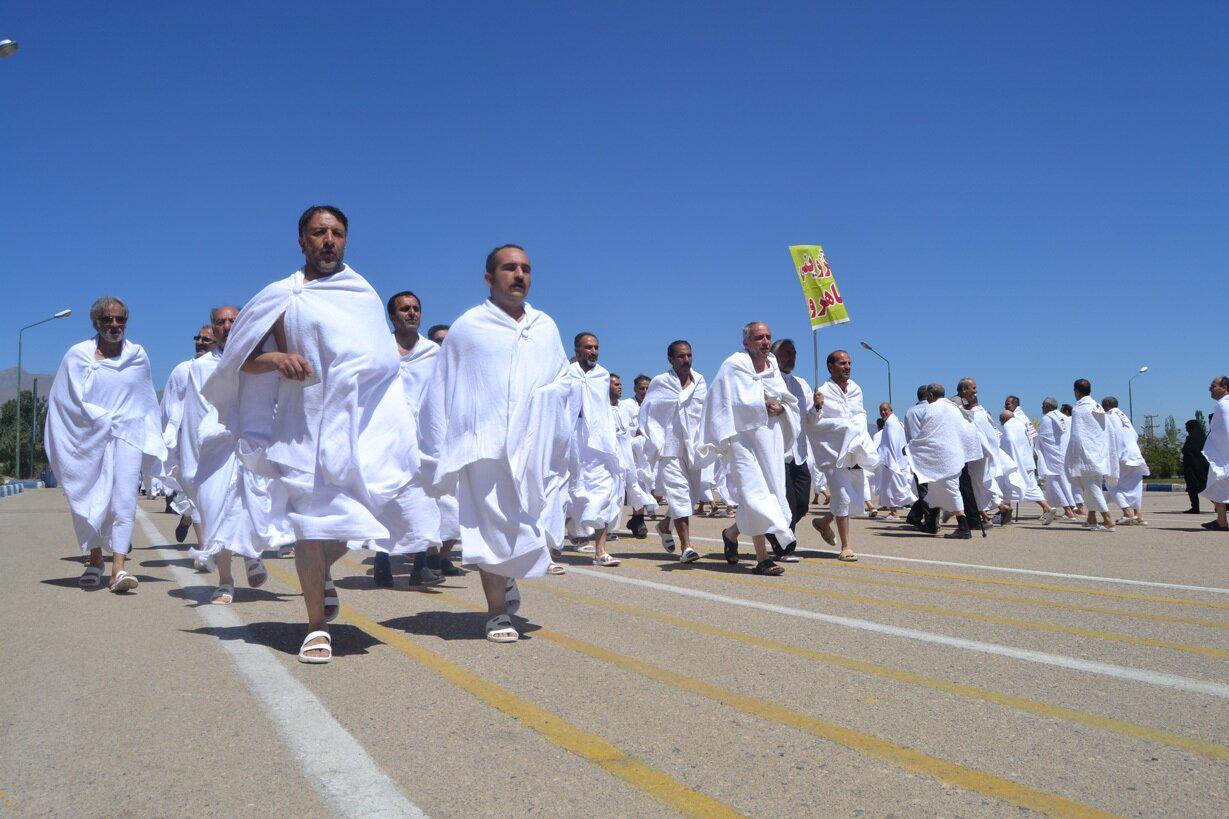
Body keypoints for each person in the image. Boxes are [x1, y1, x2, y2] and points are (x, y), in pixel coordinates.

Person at [204, 205, 428, 663]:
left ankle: (320, 573)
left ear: (346, 240)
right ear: (301, 241)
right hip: (302, 423)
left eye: (337, 233)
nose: (328, 240)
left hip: (359, 427)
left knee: (356, 519)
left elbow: (383, 361)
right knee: (309, 526)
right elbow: (240, 359)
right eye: (318, 232)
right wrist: (277, 360)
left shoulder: (362, 292)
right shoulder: (281, 296)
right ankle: (316, 625)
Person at [418, 244, 569, 642]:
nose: (519, 275)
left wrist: (551, 417)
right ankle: (496, 612)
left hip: (532, 447)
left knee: (528, 523)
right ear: (489, 278)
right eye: (509, 268)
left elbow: (562, 381)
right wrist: (436, 449)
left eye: (525, 269)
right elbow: (441, 387)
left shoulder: (545, 327)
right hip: (482, 442)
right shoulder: (469, 327)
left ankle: (505, 575)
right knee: (489, 526)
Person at [45, 296, 167, 592]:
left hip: (127, 437)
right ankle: (96, 559)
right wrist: (100, 420)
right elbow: (64, 400)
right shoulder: (78, 356)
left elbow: (146, 399)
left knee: (124, 499)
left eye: (120, 319)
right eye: (107, 320)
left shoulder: (137, 355)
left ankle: (119, 569)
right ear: (96, 323)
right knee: (89, 497)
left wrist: (151, 436)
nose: (114, 325)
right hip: (88, 440)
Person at [178, 306, 287, 603]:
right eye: (220, 322)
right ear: (213, 331)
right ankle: (225, 580)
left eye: (233, 321)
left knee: (254, 502)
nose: (227, 326)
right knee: (216, 509)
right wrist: (190, 461)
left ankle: (252, 555)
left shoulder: (262, 361)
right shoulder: (200, 368)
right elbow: (192, 415)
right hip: (217, 447)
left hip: (256, 444)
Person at [704, 323, 797, 575]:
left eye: (768, 337)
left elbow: (786, 399)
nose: (765, 342)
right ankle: (762, 558)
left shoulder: (773, 367)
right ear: (746, 343)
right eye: (759, 338)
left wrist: (782, 409)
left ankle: (730, 533)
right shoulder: (734, 365)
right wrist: (759, 403)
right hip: (741, 440)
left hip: (769, 439)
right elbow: (721, 400)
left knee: (766, 491)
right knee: (754, 491)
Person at [372, 290, 450, 589]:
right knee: (384, 499)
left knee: (424, 501)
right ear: (392, 317)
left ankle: (420, 566)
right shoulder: (378, 349)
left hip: (423, 439)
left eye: (416, 309)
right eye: (405, 309)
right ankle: (382, 563)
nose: (412, 313)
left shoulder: (433, 352)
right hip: (386, 437)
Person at [639, 340, 711, 564]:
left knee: (689, 498)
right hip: (669, 448)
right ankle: (686, 547)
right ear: (670, 359)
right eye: (681, 356)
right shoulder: (661, 382)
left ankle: (663, 526)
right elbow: (648, 411)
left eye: (689, 355)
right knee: (679, 495)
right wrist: (655, 440)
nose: (686, 360)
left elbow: (705, 411)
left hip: (693, 448)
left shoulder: (699, 381)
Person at [806, 349, 878, 561]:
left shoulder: (856, 389)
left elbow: (860, 414)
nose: (847, 367)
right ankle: (846, 547)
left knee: (854, 499)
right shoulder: (822, 390)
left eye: (849, 363)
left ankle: (823, 522)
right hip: (832, 452)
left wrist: (856, 430)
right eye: (842, 363)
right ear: (830, 366)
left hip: (854, 450)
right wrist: (817, 407)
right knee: (843, 497)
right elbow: (812, 423)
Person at [558, 333, 623, 566]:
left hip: (597, 444)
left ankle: (601, 550)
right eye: (588, 348)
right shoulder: (565, 372)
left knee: (604, 490)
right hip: (569, 442)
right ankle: (553, 547)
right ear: (576, 350)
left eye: (596, 347)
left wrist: (610, 441)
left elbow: (603, 410)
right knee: (564, 493)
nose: (593, 352)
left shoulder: (603, 375)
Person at [159, 324, 214, 553]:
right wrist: (166, 441)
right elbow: (167, 406)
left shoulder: (226, 368)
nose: (199, 343)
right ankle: (204, 546)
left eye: (206, 340)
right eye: (197, 338)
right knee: (195, 490)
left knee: (215, 492)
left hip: (216, 441)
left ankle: (188, 519)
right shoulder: (182, 370)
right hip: (187, 444)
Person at [904, 384, 974, 537]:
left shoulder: (932, 408)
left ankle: (964, 527)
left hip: (942, 460)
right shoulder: (955, 408)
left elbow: (926, 435)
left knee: (951, 490)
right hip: (954, 457)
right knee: (935, 493)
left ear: (931, 395)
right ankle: (930, 523)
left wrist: (910, 448)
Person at [770, 339, 815, 542]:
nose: (792, 357)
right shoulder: (767, 380)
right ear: (774, 355)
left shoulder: (801, 384)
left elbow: (808, 419)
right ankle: (785, 543)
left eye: (794, 353)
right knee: (786, 501)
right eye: (787, 353)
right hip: (778, 451)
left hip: (799, 452)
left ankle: (775, 533)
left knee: (802, 503)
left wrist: (818, 407)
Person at [1064, 379, 1116, 531]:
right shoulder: (1097, 406)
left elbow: (1077, 435)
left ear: (1076, 391)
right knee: (1091, 489)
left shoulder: (1079, 409)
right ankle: (1091, 518)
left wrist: (1072, 456)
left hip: (1085, 456)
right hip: (1098, 454)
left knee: (1092, 489)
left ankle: (1108, 519)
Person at [611, 374, 655, 538]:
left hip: (648, 452)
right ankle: (636, 521)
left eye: (647, 388)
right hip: (629, 451)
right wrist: (635, 430)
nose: (644, 391)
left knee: (645, 484)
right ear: (635, 389)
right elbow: (623, 426)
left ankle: (638, 519)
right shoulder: (627, 405)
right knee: (632, 485)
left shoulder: (654, 404)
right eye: (641, 388)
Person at [998, 409, 1057, 523]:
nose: (1000, 423)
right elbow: (1031, 440)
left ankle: (1006, 514)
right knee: (1031, 488)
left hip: (1015, 463)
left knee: (1007, 487)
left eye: (1001, 420)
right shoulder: (1022, 424)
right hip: (1028, 462)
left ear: (1004, 419)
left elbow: (1008, 442)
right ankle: (1047, 508)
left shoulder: (1007, 426)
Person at [1102, 396, 1149, 526]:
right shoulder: (1124, 417)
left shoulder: (1108, 416)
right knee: (1134, 486)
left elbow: (1110, 437)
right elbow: (1135, 435)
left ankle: (1127, 513)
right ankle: (1138, 514)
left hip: (1121, 455)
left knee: (1112, 484)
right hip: (1135, 455)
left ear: (1106, 405)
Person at [1036, 397, 1078, 520]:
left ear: (1048, 406)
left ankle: (1068, 511)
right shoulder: (1064, 417)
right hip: (1065, 455)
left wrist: (1036, 445)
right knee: (1064, 484)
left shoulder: (1047, 418)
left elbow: (1044, 438)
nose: (1042, 408)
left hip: (1053, 457)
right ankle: (1069, 509)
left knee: (1055, 483)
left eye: (1043, 405)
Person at [873, 402, 916, 517]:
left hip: (892, 461)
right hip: (893, 460)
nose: (883, 412)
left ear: (891, 410)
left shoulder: (891, 424)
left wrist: (890, 461)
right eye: (881, 410)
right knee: (891, 488)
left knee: (895, 488)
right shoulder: (894, 423)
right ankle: (893, 512)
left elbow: (892, 444)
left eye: (885, 410)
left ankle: (895, 513)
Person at [1199, 377, 1229, 530]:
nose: (1210, 389)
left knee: (1217, 484)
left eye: (1213, 386)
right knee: (1218, 487)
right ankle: (1221, 521)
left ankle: (1222, 521)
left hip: (1223, 456)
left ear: (1224, 388)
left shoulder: (1223, 405)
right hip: (1222, 455)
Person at [1183, 419, 1209, 513]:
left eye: (1187, 427)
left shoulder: (1191, 439)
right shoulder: (1203, 438)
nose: (1186, 429)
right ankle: (1221, 506)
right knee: (1206, 487)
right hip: (1203, 466)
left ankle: (1195, 507)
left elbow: (1187, 450)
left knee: (1192, 487)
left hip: (1192, 467)